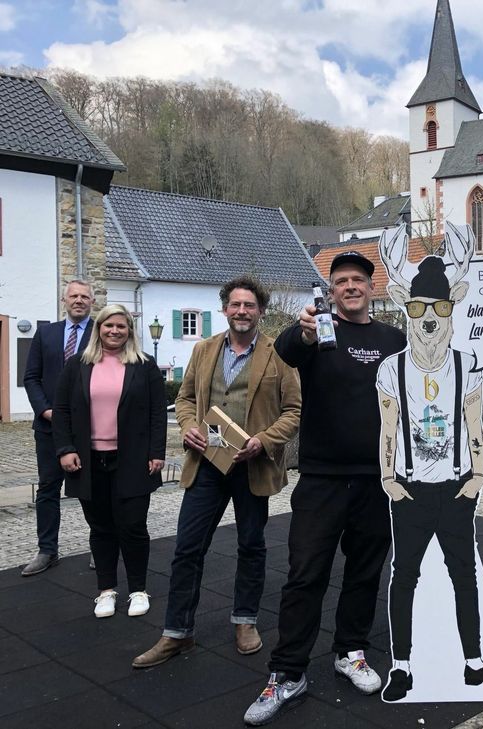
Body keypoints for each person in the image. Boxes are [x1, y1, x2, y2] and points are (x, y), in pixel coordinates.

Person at [243, 252, 406, 726]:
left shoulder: (393, 339)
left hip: (379, 477)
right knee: (305, 573)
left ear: (371, 289)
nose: (350, 286)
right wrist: (303, 331)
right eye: (341, 281)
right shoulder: (315, 335)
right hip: (321, 479)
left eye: (358, 279)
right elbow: (285, 352)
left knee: (365, 569)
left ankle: (349, 650)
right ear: (330, 291)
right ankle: (288, 672)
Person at [376, 226, 483, 702]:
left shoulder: (467, 365)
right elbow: (388, 428)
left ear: (453, 305)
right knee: (405, 574)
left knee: (464, 574)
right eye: (418, 308)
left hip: (457, 487)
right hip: (410, 490)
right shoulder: (391, 369)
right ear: (405, 307)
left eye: (439, 307)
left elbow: (475, 426)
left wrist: (478, 475)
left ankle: (475, 664)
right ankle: (401, 666)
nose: (429, 318)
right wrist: (388, 479)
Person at [133, 276, 300, 668]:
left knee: (251, 546)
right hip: (207, 464)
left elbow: (293, 411)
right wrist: (189, 426)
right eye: (235, 305)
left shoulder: (279, 355)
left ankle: (245, 620)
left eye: (250, 306)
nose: (242, 311)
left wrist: (263, 440)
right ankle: (177, 632)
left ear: (261, 311)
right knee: (187, 548)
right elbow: (187, 397)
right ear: (224, 309)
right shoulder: (205, 349)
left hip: (252, 465)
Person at [52, 304, 166, 616]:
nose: (114, 331)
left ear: (130, 330)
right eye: (108, 326)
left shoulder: (145, 365)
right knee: (100, 527)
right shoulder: (77, 365)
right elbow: (61, 410)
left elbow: (158, 412)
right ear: (98, 328)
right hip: (88, 461)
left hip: (132, 460)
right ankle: (106, 590)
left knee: (132, 526)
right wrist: (65, 449)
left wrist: (157, 452)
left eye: (121, 326)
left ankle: (138, 589)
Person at [21, 279, 95, 576]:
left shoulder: (101, 334)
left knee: (92, 489)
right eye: (73, 296)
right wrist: (46, 409)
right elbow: (31, 377)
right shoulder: (46, 333)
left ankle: (99, 546)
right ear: (64, 300)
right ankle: (47, 550)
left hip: (89, 427)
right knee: (48, 488)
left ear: (92, 301)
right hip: (49, 426)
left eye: (84, 296)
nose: (79, 300)